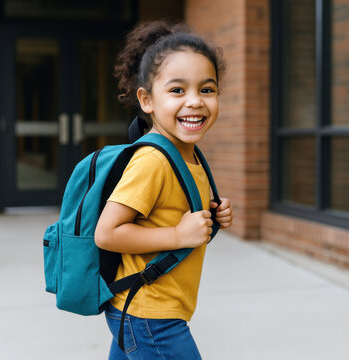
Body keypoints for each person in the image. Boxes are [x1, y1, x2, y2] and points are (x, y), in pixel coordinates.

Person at [94, 21, 234, 359]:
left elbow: (172, 211)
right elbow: (108, 233)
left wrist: (214, 214)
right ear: (147, 100)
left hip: (143, 309)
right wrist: (178, 235)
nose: (195, 102)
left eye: (207, 89)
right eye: (177, 90)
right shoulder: (153, 161)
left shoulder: (188, 155)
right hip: (151, 316)